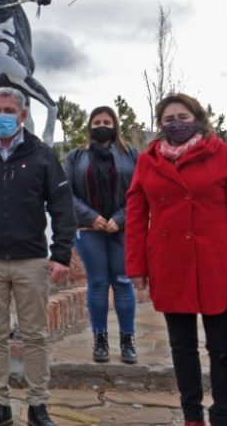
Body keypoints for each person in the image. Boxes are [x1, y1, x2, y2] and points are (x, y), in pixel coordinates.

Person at [124, 93, 227, 426]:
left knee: (221, 347)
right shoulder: (148, 161)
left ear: (198, 118)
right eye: (168, 119)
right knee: (182, 347)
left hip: (217, 266)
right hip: (170, 265)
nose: (176, 123)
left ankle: (222, 415)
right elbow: (135, 217)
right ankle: (192, 416)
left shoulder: (225, 154)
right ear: (159, 126)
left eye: (183, 116)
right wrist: (136, 268)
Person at [0, 87, 77, 426]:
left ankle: (38, 405)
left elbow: (62, 208)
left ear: (22, 114)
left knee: (35, 335)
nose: (1, 116)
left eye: (8, 109)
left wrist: (61, 253)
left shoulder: (42, 155)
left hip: (31, 260)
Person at [64, 106, 140, 364]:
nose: (101, 125)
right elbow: (66, 193)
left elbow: (141, 192)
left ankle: (128, 340)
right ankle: (100, 339)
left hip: (122, 229)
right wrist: (90, 217)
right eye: (96, 121)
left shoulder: (131, 154)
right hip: (89, 230)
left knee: (122, 282)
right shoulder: (76, 156)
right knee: (97, 283)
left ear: (115, 124)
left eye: (106, 121)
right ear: (89, 125)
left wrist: (120, 218)